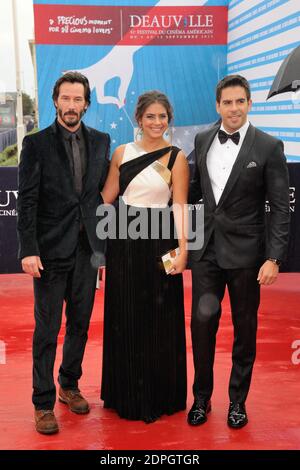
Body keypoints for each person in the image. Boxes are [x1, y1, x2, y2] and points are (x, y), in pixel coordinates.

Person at [188, 75, 290, 428]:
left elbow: (280, 207)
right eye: (227, 103)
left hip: (247, 256)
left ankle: (237, 402)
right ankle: (201, 399)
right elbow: (190, 192)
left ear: (249, 104)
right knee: (201, 328)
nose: (233, 108)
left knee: (245, 330)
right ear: (217, 106)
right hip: (206, 253)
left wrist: (273, 258)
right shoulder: (202, 140)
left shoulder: (268, 146)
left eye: (239, 102)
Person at [17, 72, 110, 434]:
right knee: (47, 329)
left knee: (81, 325)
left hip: (88, 251)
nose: (72, 106)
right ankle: (42, 403)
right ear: (55, 101)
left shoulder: (101, 142)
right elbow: (27, 201)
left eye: (78, 99)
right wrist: (28, 249)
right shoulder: (36, 144)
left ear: (87, 103)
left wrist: (102, 252)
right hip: (50, 251)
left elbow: (100, 199)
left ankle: (68, 385)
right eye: (66, 99)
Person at [100, 90, 189, 423]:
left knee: (158, 318)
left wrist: (183, 249)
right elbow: (107, 197)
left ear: (169, 120)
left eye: (162, 116)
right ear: (138, 119)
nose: (156, 122)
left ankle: (159, 394)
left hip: (159, 243)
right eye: (150, 116)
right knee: (126, 317)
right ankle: (125, 392)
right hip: (124, 240)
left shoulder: (175, 157)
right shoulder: (122, 153)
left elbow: (179, 205)